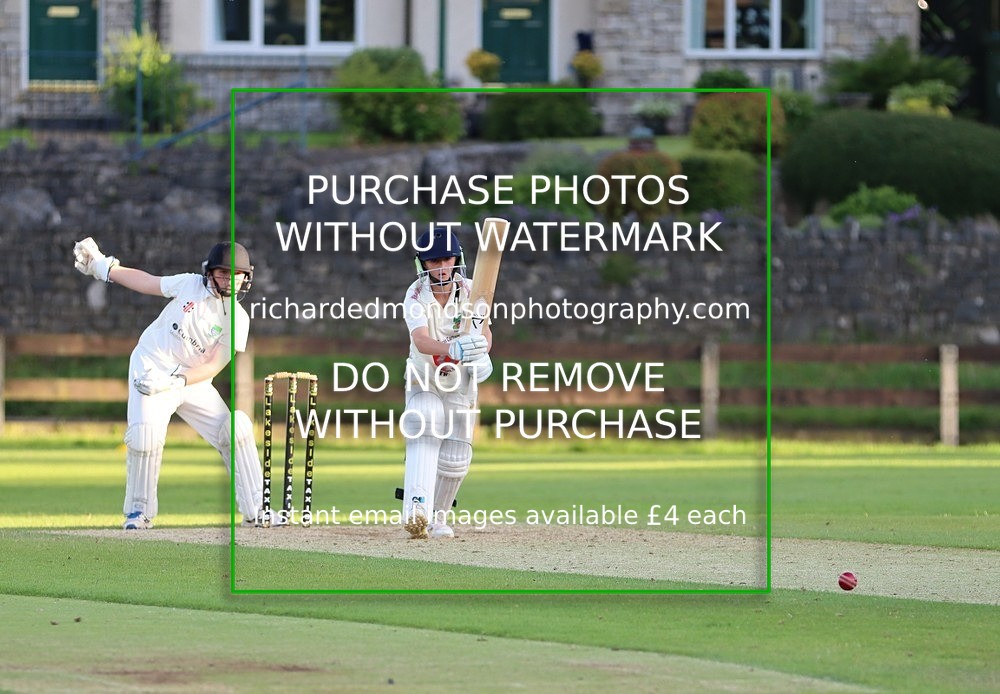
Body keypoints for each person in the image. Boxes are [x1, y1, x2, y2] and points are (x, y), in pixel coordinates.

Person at [72, 237, 271, 529]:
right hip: (152, 367)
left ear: (247, 278)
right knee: (145, 437)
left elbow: (215, 363)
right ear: (210, 272)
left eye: (237, 275)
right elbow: (148, 282)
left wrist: (178, 381)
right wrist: (105, 267)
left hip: (190, 379)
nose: (230, 280)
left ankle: (257, 510)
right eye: (223, 273)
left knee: (236, 428)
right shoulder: (189, 284)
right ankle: (138, 513)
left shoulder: (238, 319)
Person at [400, 226, 493, 539]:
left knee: (456, 456)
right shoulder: (414, 295)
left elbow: (484, 331)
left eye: (447, 259)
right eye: (434, 261)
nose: (441, 267)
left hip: (459, 380)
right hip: (424, 374)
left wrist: (481, 351)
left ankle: (437, 519)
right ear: (423, 264)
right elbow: (422, 341)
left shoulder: (471, 290)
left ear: (457, 258)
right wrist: (451, 347)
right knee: (426, 420)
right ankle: (416, 510)